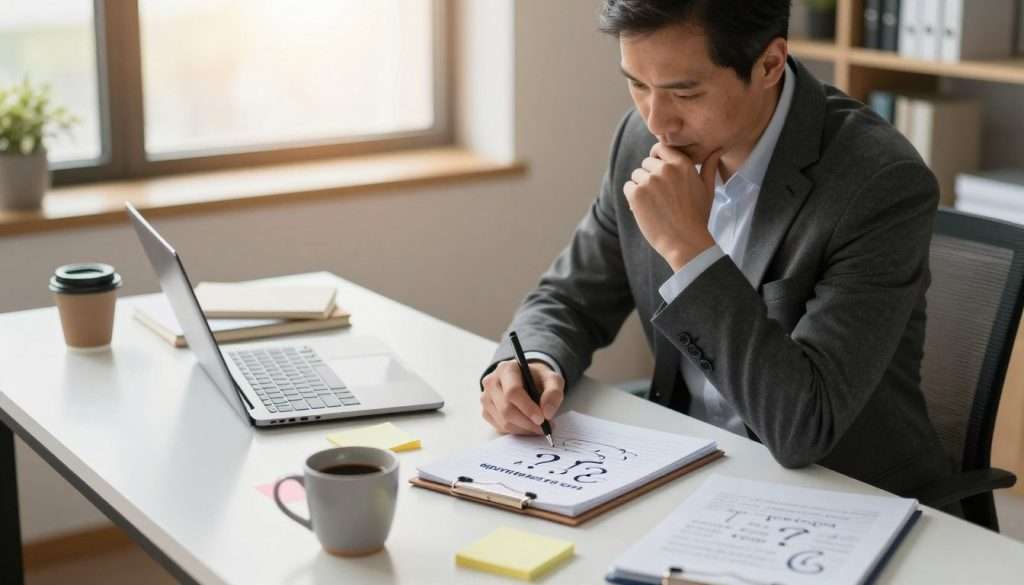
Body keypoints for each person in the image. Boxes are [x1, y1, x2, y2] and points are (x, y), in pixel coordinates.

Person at [479, 0, 951, 499]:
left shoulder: (879, 182)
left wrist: (690, 251)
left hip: (841, 493)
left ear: (769, 64)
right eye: (637, 84)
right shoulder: (640, 138)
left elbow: (804, 427)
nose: (657, 121)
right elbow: (570, 296)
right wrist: (533, 362)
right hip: (692, 468)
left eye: (685, 91)